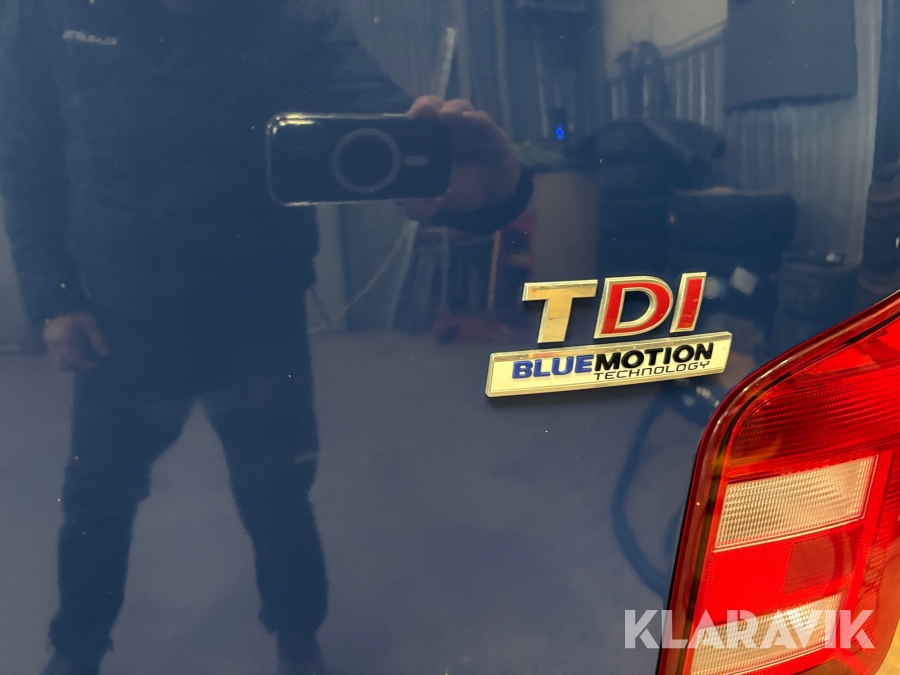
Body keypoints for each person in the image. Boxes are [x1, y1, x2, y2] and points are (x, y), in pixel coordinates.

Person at [0, 0, 532, 673]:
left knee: (276, 491)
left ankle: (296, 632)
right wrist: (53, 296)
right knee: (96, 500)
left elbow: (384, 119)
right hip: (121, 316)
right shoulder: (52, 11)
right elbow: (28, 160)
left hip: (254, 312)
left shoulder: (290, 17)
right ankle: (76, 650)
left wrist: (482, 189)